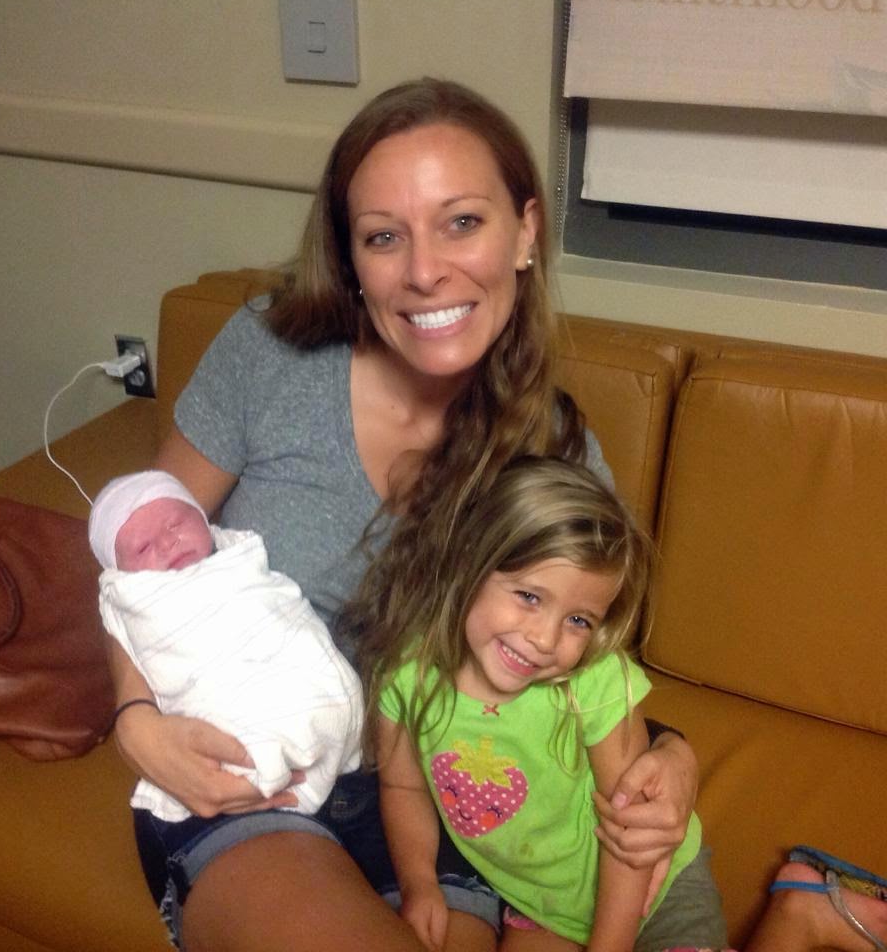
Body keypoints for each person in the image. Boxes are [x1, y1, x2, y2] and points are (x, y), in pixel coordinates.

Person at [107, 77, 704, 952]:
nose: (425, 271)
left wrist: (676, 755)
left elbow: (589, 665)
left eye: (462, 221)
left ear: (526, 233)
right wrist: (135, 722)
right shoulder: (270, 355)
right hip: (248, 774)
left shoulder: (555, 453)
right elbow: (135, 555)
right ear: (350, 259)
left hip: (441, 800)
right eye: (384, 236)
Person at [354, 456, 729, 952]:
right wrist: (420, 883)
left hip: (655, 889)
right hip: (539, 905)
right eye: (529, 596)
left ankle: (797, 914)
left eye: (579, 620)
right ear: (468, 562)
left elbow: (630, 829)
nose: (546, 639)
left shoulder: (595, 682)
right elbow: (402, 785)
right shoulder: (405, 674)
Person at [87, 469, 363, 819]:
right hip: (218, 753)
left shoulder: (239, 556)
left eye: (176, 523)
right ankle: (277, 750)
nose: (167, 542)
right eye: (143, 547)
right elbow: (121, 619)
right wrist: (134, 720)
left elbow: (282, 608)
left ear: (203, 519)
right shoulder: (139, 598)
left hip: (352, 723)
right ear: (121, 575)